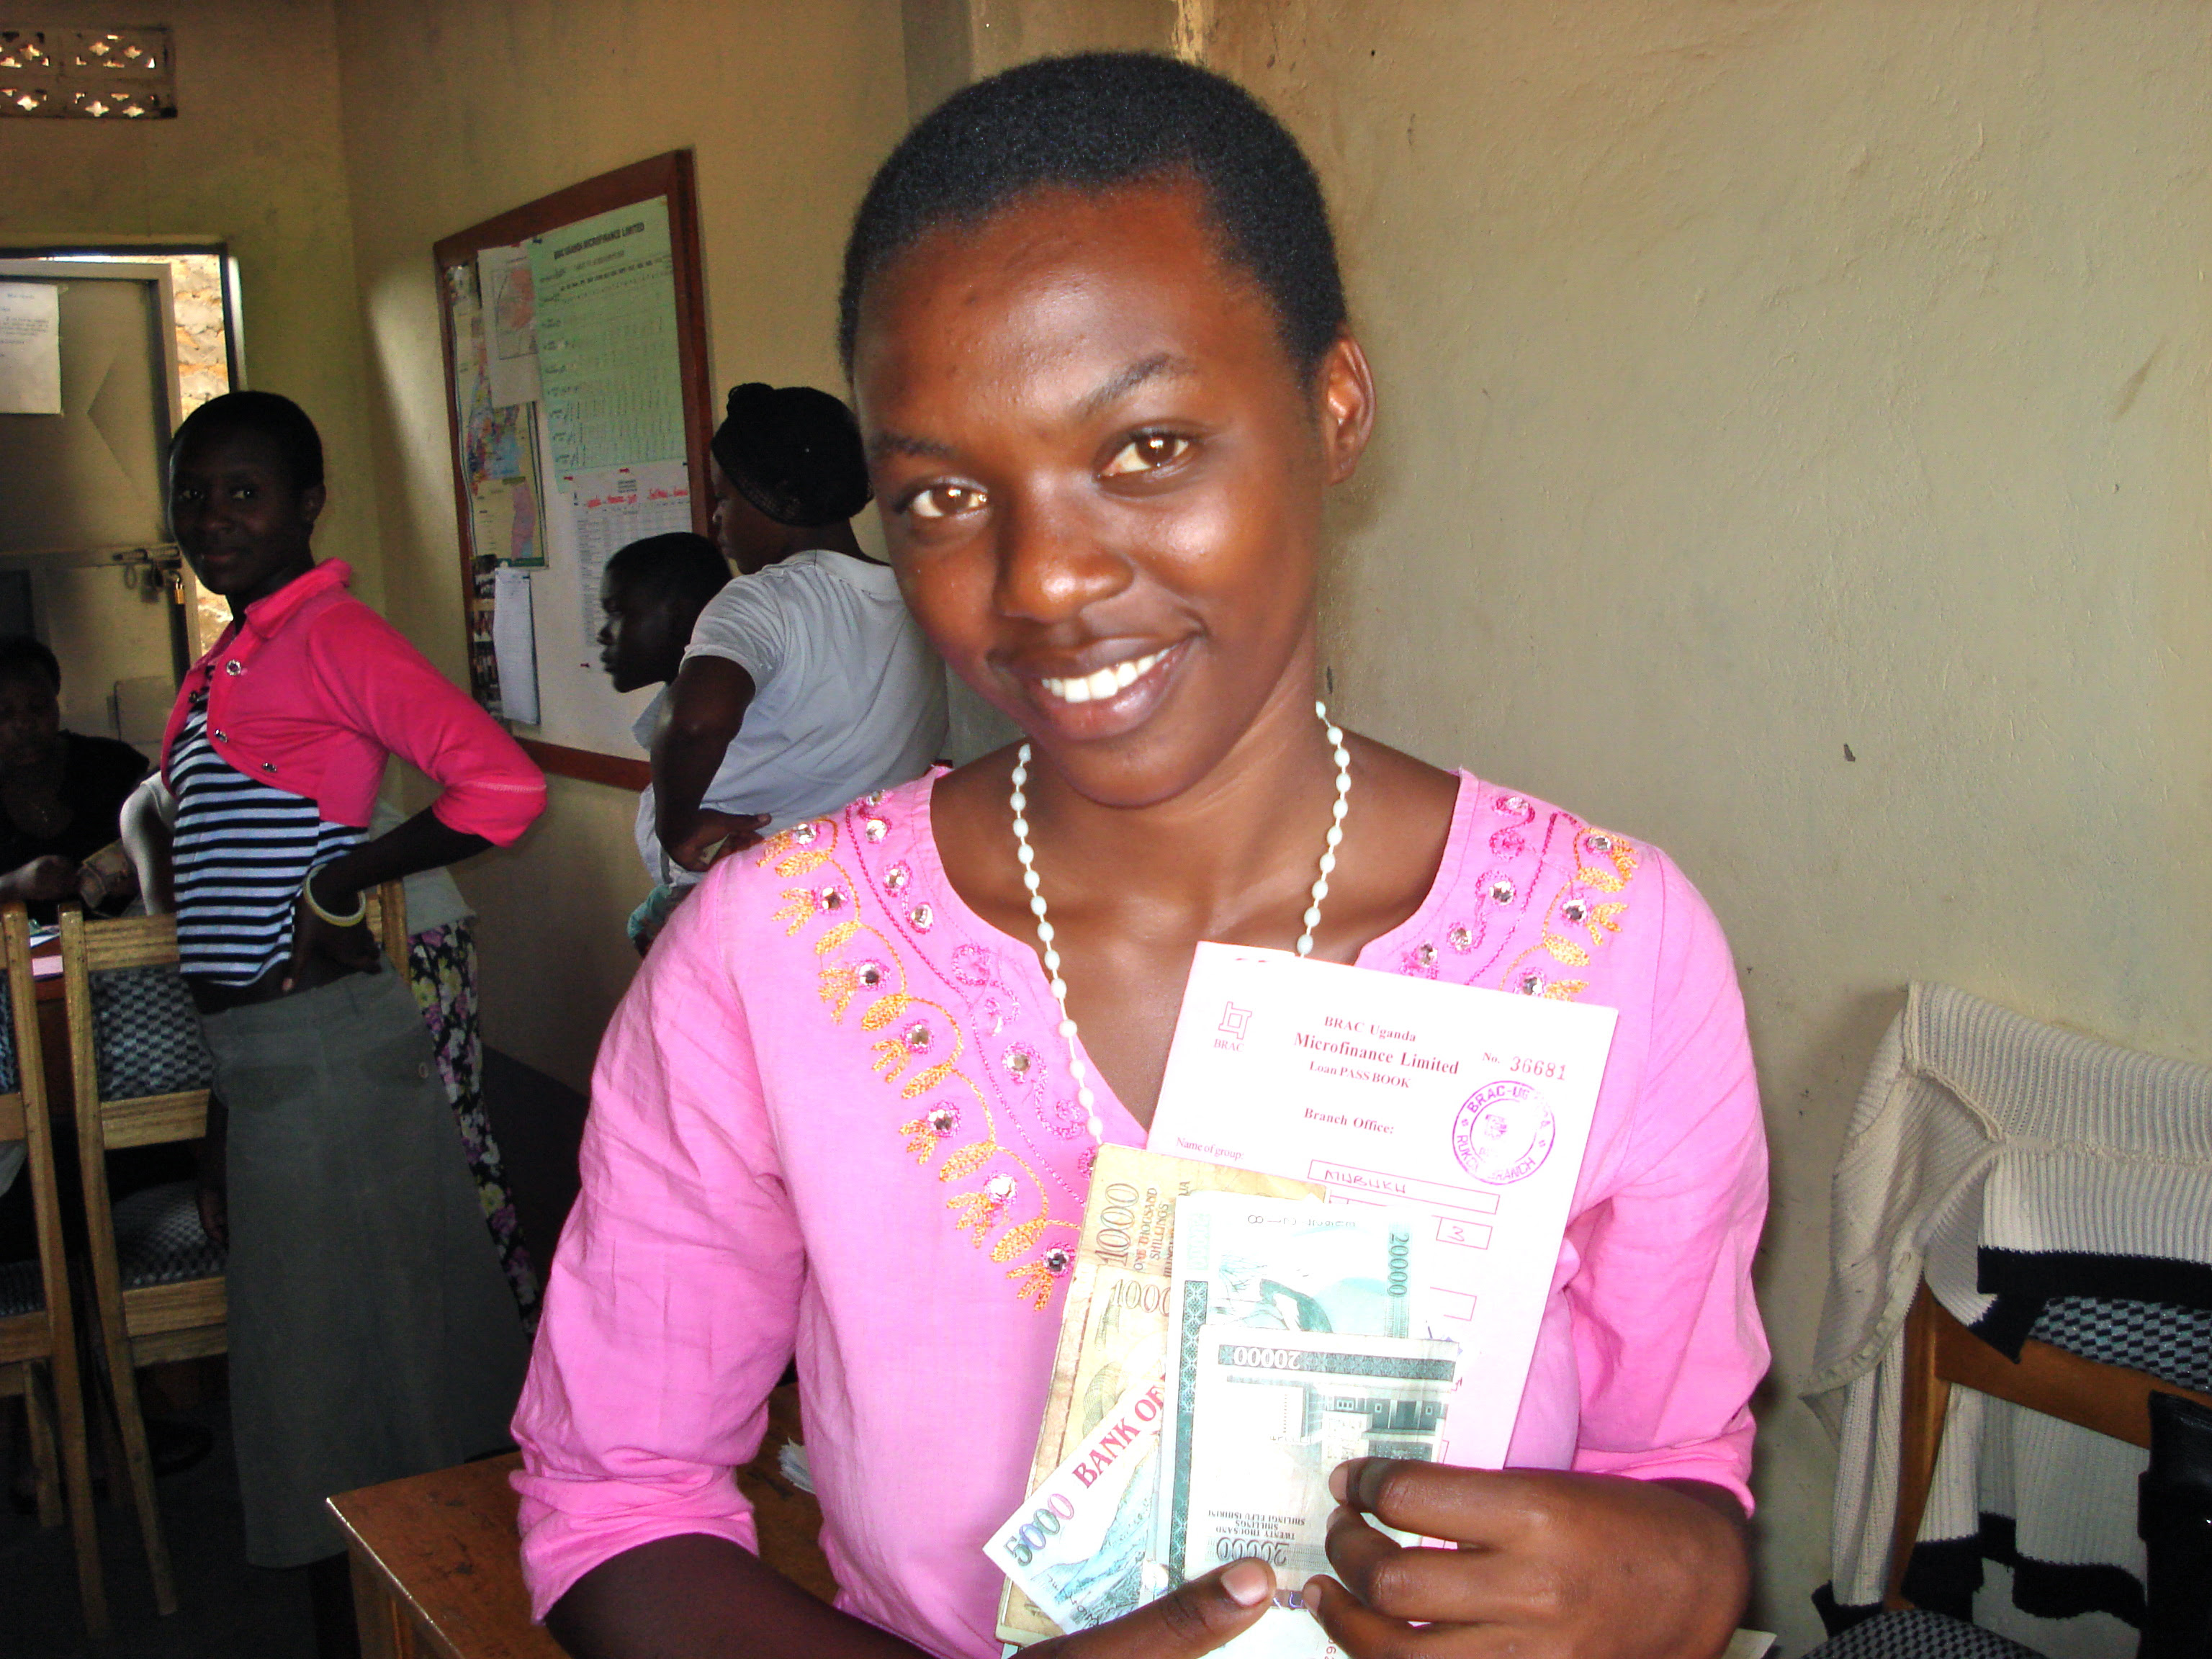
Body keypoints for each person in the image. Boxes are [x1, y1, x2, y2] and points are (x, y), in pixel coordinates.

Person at [514, 53, 1767, 1659]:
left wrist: (1684, 1569)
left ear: (1333, 408)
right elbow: (615, 1501)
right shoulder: (770, 966)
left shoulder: (1612, 944)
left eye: (1149, 447)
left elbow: (1676, 1471)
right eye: (943, 493)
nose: (1042, 580)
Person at [144, 390, 543, 1636]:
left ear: (308, 504)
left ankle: (433, 1625)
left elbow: (501, 786)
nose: (214, 516)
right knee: (338, 1388)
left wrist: (339, 881)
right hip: (266, 1061)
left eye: (244, 491)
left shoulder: (328, 635)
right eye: (195, 493)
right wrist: (219, 1115)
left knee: (360, 1397)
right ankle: (406, 1623)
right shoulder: (231, 657)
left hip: (327, 1062)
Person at [621, 385, 947, 950]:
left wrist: (675, 824)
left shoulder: (762, 601)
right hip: (859, 902)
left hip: (748, 904)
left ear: (776, 499)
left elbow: (696, 722)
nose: (717, 521)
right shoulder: (918, 602)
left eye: (726, 499)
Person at [590, 530, 742, 948]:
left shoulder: (721, 738)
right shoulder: (670, 722)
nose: (604, 634)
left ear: (678, 617)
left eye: (617, 613)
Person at [0, 634, 150, 918]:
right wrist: (15, 884)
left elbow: (173, 848)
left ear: (55, 696)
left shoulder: (112, 766)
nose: (23, 724)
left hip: (126, 940)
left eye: (38, 707)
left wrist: (144, 875)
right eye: (4, 714)